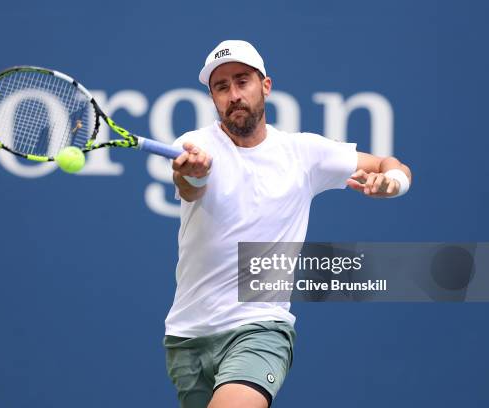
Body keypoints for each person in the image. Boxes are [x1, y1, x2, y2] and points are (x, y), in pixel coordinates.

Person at [164, 40, 412, 408]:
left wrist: (393, 182)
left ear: (265, 86)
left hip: (260, 327)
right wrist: (194, 176)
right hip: (187, 336)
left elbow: (388, 163)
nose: (233, 94)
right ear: (212, 97)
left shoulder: (303, 153)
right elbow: (190, 186)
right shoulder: (195, 145)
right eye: (221, 87)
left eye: (242, 81)